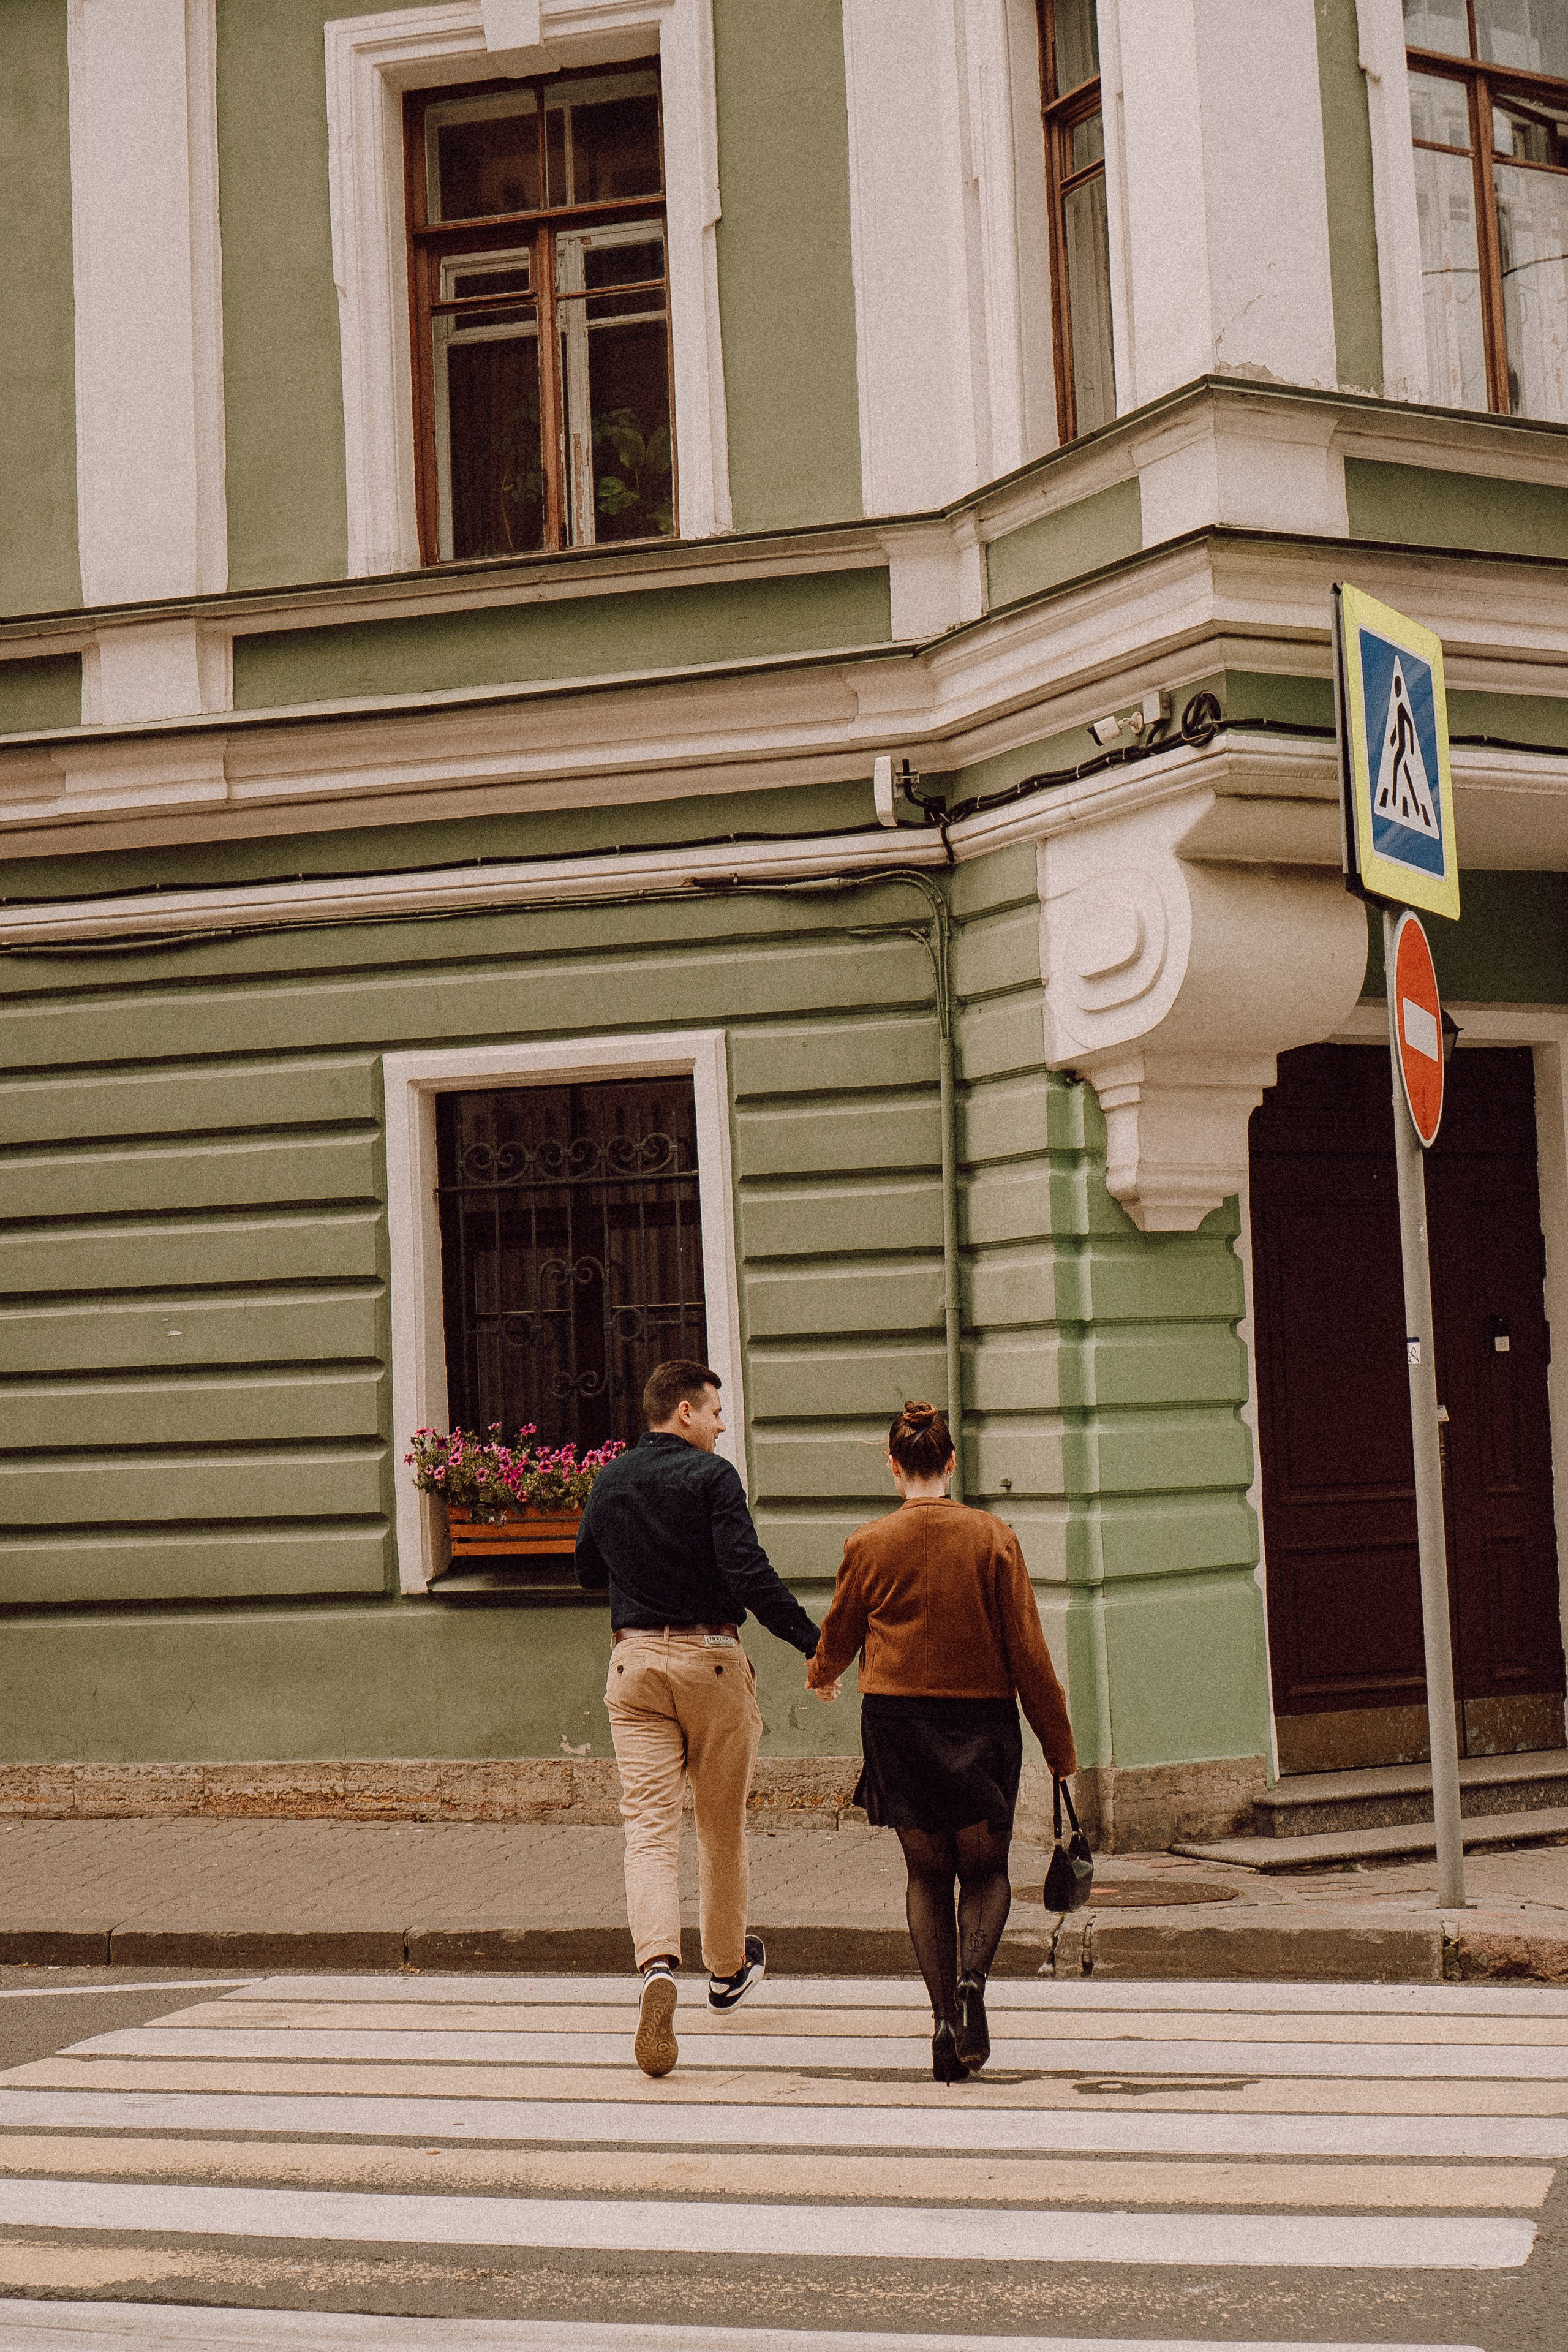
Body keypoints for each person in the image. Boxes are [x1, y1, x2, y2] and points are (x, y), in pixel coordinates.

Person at [805, 1401, 1076, 2082]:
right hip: (981, 1720)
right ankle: (973, 1984)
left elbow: (840, 1631)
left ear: (893, 1467)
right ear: (951, 1463)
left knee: (926, 1873)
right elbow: (1029, 1653)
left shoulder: (868, 1544)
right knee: (985, 1870)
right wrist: (1058, 1746)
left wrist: (822, 1674)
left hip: (897, 1722)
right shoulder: (993, 1538)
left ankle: (942, 2023)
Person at [575, 1360, 823, 2079]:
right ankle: (725, 1969)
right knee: (719, 1826)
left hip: (633, 1665)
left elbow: (587, 1570)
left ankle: (657, 1966)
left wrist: (641, 1563)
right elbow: (748, 1574)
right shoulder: (712, 1478)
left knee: (649, 1829)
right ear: (684, 1411)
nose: (721, 1424)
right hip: (711, 1660)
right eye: (715, 1411)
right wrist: (816, 1645)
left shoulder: (610, 1479)